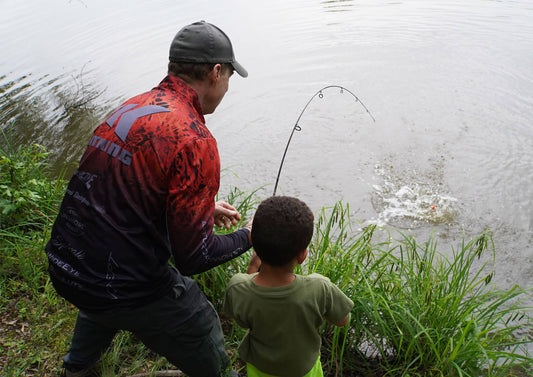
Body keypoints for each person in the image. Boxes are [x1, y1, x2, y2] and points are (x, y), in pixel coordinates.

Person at [45, 21, 252, 377]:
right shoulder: (195, 139)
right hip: (118, 285)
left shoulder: (131, 108)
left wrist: (201, 209)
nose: (227, 86)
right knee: (197, 314)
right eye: (230, 76)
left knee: (104, 277)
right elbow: (193, 257)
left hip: (66, 266)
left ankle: (77, 368)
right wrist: (252, 235)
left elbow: (124, 197)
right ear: (217, 73)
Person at [223, 196, 354, 377]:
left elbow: (243, 323)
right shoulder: (319, 287)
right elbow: (343, 320)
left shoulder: (237, 286)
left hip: (260, 369)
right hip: (304, 371)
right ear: (302, 256)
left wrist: (253, 268)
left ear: (252, 238)